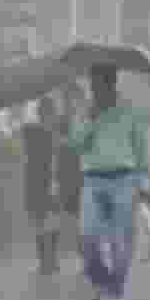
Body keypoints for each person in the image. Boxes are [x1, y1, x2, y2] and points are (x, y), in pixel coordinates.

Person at [65, 65, 150, 300]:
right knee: (88, 237)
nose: (96, 90)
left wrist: (144, 183)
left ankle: (117, 288)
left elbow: (141, 151)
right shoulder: (85, 112)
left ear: (112, 85)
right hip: (93, 179)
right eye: (93, 86)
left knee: (119, 240)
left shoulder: (129, 112)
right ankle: (104, 282)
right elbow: (75, 144)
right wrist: (89, 121)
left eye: (100, 85)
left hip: (124, 179)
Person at [20, 97, 59, 274]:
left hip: (47, 180)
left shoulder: (50, 132)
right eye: (45, 112)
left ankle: (49, 261)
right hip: (38, 180)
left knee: (49, 220)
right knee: (40, 221)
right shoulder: (32, 131)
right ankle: (46, 261)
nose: (47, 116)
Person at [55, 86, 85, 267]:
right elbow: (58, 148)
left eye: (76, 99)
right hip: (71, 177)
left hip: (86, 175)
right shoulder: (62, 123)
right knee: (76, 221)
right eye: (69, 99)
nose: (72, 103)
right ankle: (84, 256)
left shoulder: (88, 120)